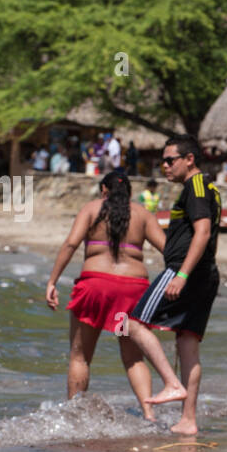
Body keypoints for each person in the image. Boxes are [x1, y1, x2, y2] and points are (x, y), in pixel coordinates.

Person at [124, 135, 222, 435]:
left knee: (133, 323)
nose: (164, 166)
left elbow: (202, 232)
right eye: (162, 161)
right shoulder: (208, 187)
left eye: (170, 160)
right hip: (206, 273)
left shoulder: (195, 187)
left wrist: (182, 275)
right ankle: (188, 420)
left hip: (185, 270)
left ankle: (171, 382)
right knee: (188, 344)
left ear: (189, 159)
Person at [45, 171, 166, 413]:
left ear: (103, 190)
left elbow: (71, 244)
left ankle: (74, 416)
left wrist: (52, 281)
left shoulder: (91, 209)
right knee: (133, 357)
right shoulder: (143, 214)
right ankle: (149, 414)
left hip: (96, 289)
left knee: (80, 357)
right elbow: (168, 249)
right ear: (130, 194)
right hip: (132, 291)